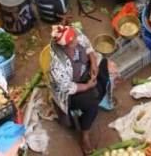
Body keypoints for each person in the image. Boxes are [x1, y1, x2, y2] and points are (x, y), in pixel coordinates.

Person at [48, 25, 112, 154]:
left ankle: (96, 92)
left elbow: (88, 47)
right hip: (70, 91)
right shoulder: (57, 66)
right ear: (64, 47)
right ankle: (85, 135)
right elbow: (68, 87)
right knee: (92, 104)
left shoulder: (76, 36)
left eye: (75, 38)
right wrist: (87, 86)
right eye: (72, 43)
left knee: (103, 67)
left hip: (83, 72)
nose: (77, 41)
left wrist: (93, 63)